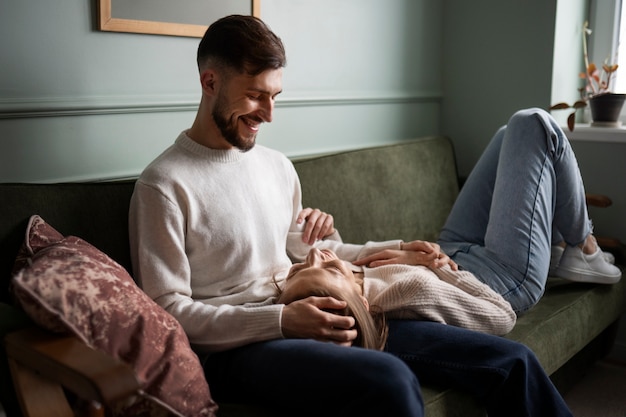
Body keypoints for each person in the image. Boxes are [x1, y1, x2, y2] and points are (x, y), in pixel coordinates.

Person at [129, 14, 574, 417]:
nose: (268, 113)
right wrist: (281, 321)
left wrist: (397, 250)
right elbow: (168, 311)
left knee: (512, 360)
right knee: (390, 381)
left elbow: (318, 251)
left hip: (320, 300)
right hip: (242, 344)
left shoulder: (276, 166)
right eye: (254, 96)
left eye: (275, 96)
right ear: (210, 82)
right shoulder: (163, 186)